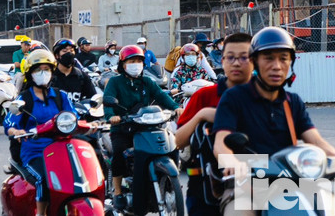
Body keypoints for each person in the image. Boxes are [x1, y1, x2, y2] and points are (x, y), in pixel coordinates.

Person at [213, 27, 335, 216]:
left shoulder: (293, 102)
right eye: (268, 58)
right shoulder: (233, 98)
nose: (276, 66)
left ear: (290, 62)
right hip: (247, 184)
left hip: (293, 181)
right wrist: (233, 163)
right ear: (255, 62)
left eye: (283, 58)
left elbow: (315, 141)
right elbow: (221, 143)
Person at [175, 33, 254, 216]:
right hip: (204, 189)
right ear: (222, 60)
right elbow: (178, 141)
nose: (236, 63)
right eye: (230, 57)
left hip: (255, 183)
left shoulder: (266, 97)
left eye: (244, 57)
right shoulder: (204, 96)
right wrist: (200, 116)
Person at [103, 44, 177, 214]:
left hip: (145, 127)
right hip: (122, 128)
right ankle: (119, 193)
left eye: (139, 61)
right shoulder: (115, 82)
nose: (136, 64)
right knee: (119, 153)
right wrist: (111, 117)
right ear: (123, 64)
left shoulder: (147, 81)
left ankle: (167, 182)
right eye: (132, 61)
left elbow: (161, 96)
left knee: (170, 143)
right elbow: (108, 105)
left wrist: (175, 107)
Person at [4, 49, 73, 216]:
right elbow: (9, 123)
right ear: (30, 74)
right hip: (35, 152)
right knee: (43, 178)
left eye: (47, 69)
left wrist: (90, 123)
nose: (43, 73)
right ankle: (41, 213)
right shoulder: (23, 99)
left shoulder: (60, 96)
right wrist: (16, 130)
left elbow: (73, 117)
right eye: (38, 70)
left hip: (62, 148)